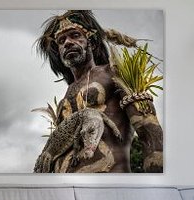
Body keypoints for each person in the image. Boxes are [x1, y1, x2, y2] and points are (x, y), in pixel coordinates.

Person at [34, 10, 163, 173]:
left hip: (109, 184)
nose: (67, 42)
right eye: (61, 40)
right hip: (64, 188)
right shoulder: (64, 99)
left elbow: (147, 125)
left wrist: (157, 167)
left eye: (75, 35)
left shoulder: (113, 73)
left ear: (92, 43)